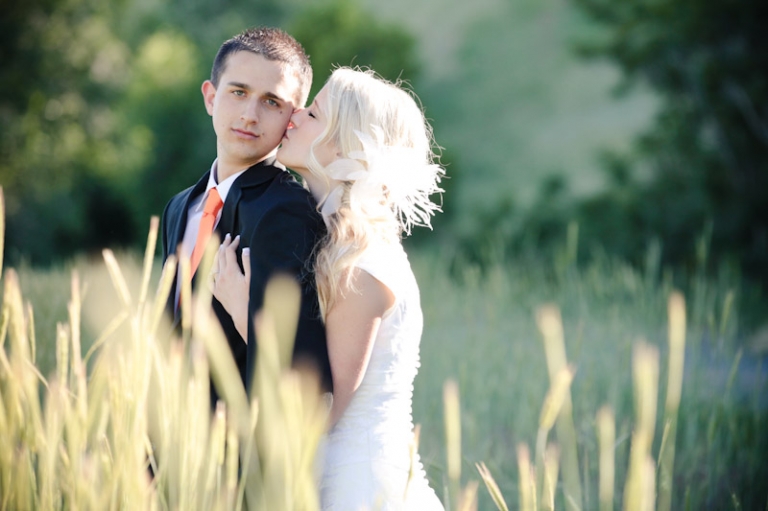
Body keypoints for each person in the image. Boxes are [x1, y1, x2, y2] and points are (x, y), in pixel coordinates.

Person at [213, 67, 445, 510]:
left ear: (342, 144)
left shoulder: (362, 263)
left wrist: (244, 310)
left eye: (314, 114)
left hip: (361, 489)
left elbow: (321, 409)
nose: (296, 115)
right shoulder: (330, 244)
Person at [160, 27, 332, 404]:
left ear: (292, 118)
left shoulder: (288, 211)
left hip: (231, 433)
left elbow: (296, 366)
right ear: (211, 97)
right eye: (238, 92)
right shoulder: (179, 207)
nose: (250, 115)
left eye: (271, 102)